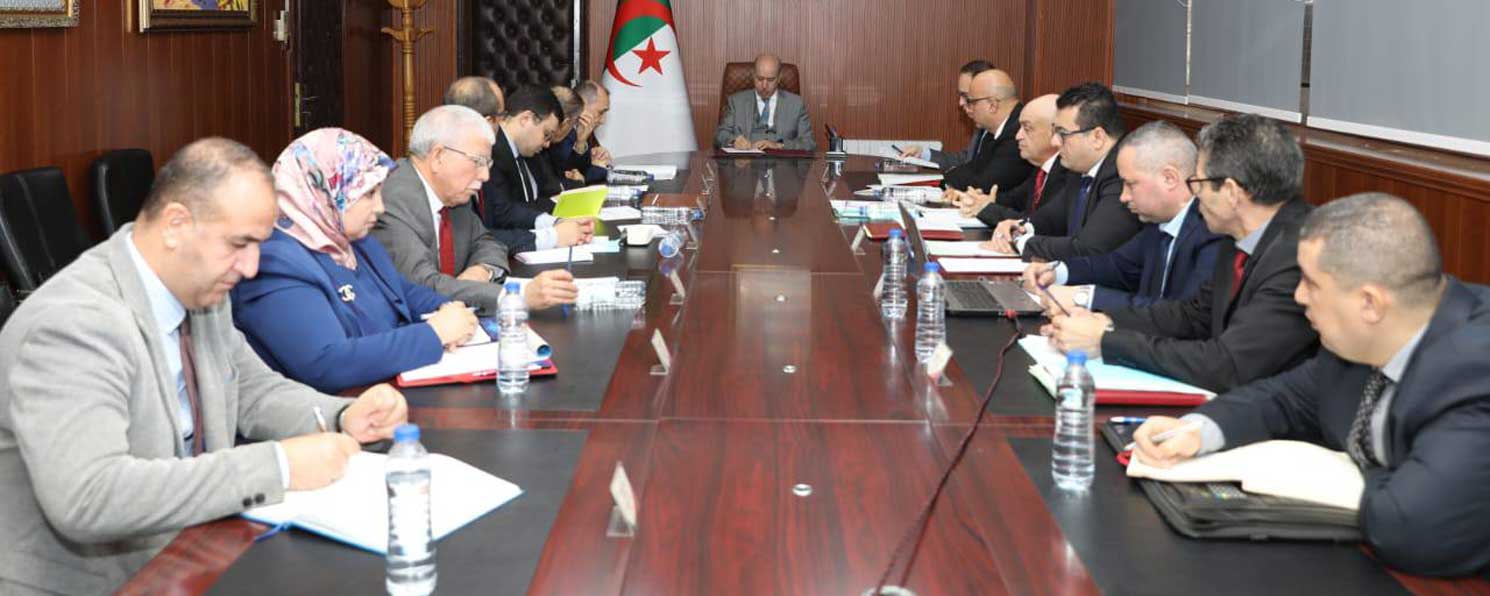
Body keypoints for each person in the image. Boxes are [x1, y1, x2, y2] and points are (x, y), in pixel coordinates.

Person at [0, 138, 409, 594]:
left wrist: (343, 415)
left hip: (195, 547)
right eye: (239, 244)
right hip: (101, 583)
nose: (251, 267)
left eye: (258, 245)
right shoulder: (73, 323)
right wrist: (278, 466)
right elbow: (90, 496)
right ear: (176, 224)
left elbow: (252, 390)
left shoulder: (200, 288)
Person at [1132, 193, 1490, 577]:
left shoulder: (1475, 371)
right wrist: (1197, 430)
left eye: (1311, 283)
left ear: (1370, 304)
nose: (1298, 296)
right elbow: (1286, 397)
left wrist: (1358, 472)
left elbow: (1410, 531)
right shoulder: (1362, 338)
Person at [1046, 113, 1318, 393]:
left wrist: (1105, 341)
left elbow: (1228, 365)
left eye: (1198, 183)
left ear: (1230, 191)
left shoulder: (1299, 255)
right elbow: (1192, 315)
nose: (1194, 195)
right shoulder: (1238, 236)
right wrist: (1105, 321)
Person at [231, 128, 479, 394]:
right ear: (324, 193)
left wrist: (452, 310)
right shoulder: (274, 263)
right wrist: (435, 334)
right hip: (332, 409)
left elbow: (404, 293)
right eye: (369, 194)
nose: (380, 207)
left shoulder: (354, 242)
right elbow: (327, 363)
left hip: (383, 393)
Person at [371, 105, 579, 315]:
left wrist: (482, 270)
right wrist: (516, 296)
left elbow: (489, 242)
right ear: (438, 156)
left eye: (488, 164)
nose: (485, 176)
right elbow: (423, 287)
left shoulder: (453, 193)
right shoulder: (392, 199)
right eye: (478, 162)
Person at [1023, 121, 1224, 311]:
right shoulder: (1157, 224)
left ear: (1169, 178)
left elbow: (1181, 315)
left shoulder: (1211, 232)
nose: (1123, 197)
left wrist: (1083, 297)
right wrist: (1056, 271)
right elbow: (1115, 266)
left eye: (1130, 184)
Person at [986, 82, 1142, 261]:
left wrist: (1020, 242)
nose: (1055, 142)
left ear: (1097, 137)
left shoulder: (1123, 175)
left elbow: (1088, 249)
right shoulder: (1079, 169)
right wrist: (1019, 227)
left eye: (1062, 133)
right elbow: (1052, 218)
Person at [444, 79, 590, 253]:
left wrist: (555, 223)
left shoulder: (520, 152)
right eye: (499, 116)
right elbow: (479, 235)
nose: (503, 123)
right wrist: (552, 236)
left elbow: (483, 231)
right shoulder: (485, 156)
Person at [480, 85, 593, 248]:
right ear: (526, 119)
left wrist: (556, 222)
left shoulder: (523, 150)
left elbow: (523, 206)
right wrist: (554, 235)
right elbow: (502, 214)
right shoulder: (492, 151)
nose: (547, 144)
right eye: (546, 134)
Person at [945, 93, 1068, 225]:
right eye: (1020, 128)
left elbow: (1038, 224)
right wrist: (976, 199)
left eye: (1027, 129)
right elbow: (1014, 200)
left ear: (1055, 132)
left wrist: (986, 209)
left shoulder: (1067, 173)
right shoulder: (1041, 170)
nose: (1018, 136)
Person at [938, 68, 1033, 194]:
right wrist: (940, 181)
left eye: (971, 102)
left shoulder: (1018, 133)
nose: (968, 108)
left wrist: (943, 184)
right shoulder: (994, 130)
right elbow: (973, 168)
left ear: (992, 105)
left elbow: (984, 184)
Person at [897, 59, 994, 170]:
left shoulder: (1006, 136)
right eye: (960, 95)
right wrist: (923, 153)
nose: (961, 103)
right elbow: (966, 160)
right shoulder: (982, 126)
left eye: (966, 96)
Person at [714, 53, 816, 151]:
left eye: (770, 80)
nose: (764, 85)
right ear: (753, 75)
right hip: (745, 160)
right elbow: (720, 135)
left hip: (781, 161)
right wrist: (734, 141)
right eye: (760, 79)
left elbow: (809, 143)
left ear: (779, 78)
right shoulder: (736, 102)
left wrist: (779, 145)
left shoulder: (796, 104)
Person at [553, 80, 613, 186]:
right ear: (583, 105)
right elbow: (565, 176)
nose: (603, 120)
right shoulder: (559, 131)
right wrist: (599, 167)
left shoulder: (579, 130)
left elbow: (580, 172)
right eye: (601, 112)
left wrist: (583, 147)